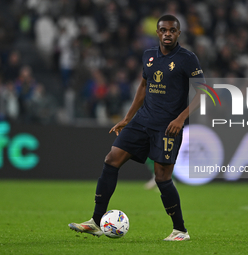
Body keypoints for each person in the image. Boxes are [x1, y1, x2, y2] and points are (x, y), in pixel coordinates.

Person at [68, 14, 204, 241]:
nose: (167, 34)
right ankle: (96, 221)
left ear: (179, 33)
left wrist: (181, 119)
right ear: (157, 32)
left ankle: (180, 230)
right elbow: (143, 85)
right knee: (112, 159)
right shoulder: (149, 55)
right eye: (163, 30)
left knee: (162, 177)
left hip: (167, 127)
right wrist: (128, 117)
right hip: (142, 120)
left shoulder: (187, 59)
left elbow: (204, 93)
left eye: (172, 30)